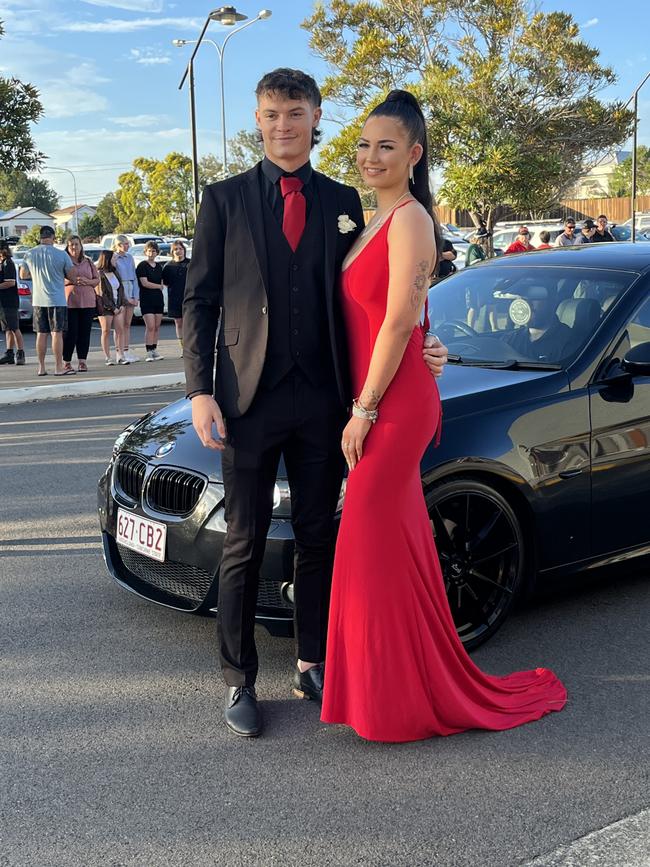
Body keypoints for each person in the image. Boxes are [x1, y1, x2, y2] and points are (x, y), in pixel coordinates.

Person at [183, 68, 448, 738]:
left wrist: (428, 341)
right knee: (241, 541)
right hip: (246, 399)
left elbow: (389, 295)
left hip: (325, 399)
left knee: (316, 536)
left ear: (315, 115)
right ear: (258, 118)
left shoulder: (344, 200)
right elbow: (199, 301)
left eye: (294, 112)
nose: (282, 124)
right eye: (270, 113)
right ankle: (239, 679)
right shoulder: (224, 200)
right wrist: (199, 391)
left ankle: (312, 660)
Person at [320, 90, 566, 743]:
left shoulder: (410, 220)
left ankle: (394, 701)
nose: (372, 156)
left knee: (368, 544)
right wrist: (429, 343)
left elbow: (399, 318)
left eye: (387, 146)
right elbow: (405, 316)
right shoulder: (372, 221)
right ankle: (392, 689)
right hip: (386, 394)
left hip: (393, 406)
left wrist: (363, 410)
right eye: (366, 144)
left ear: (414, 154)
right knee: (394, 551)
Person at [20, 225, 73, 376]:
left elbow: (23, 274)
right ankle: (58, 367)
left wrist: (37, 276)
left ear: (40, 237)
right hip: (57, 299)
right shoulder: (61, 254)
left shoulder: (30, 253)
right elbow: (72, 275)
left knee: (41, 334)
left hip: (38, 299)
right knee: (57, 333)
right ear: (53, 237)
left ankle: (41, 367)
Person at [504, 285, 573, 363]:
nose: (527, 304)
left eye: (534, 297)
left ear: (552, 301)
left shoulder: (568, 342)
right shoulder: (510, 340)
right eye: (522, 299)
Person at [63, 235, 100, 373]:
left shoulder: (88, 262)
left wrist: (86, 281)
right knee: (70, 333)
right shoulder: (64, 261)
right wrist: (73, 281)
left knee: (84, 333)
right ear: (67, 246)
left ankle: (82, 361)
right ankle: (66, 361)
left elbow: (96, 280)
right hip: (70, 302)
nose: (74, 247)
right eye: (71, 244)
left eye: (76, 244)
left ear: (81, 246)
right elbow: (58, 280)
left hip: (88, 302)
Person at [96, 250, 129, 365]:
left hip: (118, 305)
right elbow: (101, 293)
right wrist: (112, 307)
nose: (116, 261)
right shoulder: (100, 274)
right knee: (105, 331)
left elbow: (120, 289)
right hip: (106, 307)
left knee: (120, 330)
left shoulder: (115, 272)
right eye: (114, 259)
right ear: (107, 260)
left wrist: (121, 304)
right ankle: (107, 356)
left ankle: (120, 355)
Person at [111, 236, 139, 361]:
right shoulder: (114, 257)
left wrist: (135, 296)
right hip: (120, 290)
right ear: (119, 244)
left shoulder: (130, 257)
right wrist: (125, 297)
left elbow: (134, 277)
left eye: (128, 243)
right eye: (125, 244)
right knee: (119, 325)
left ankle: (126, 350)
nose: (127, 246)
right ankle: (119, 351)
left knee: (127, 324)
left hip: (130, 287)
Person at [136, 241, 165, 361]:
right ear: (145, 252)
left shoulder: (159, 266)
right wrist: (158, 286)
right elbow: (145, 283)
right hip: (146, 299)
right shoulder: (142, 266)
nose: (151, 253)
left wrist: (160, 286)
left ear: (157, 252)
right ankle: (148, 351)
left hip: (158, 299)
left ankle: (154, 349)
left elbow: (162, 281)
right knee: (150, 326)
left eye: (153, 251)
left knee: (157, 326)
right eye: (149, 250)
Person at [162, 240, 189, 356]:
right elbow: (166, 282)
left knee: (189, 322)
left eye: (181, 249)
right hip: (174, 298)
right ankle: (183, 347)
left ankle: (190, 346)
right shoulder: (168, 266)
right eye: (176, 249)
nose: (179, 251)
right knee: (178, 323)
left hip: (189, 297)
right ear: (172, 252)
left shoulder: (190, 264)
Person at [0, 241, 25, 365]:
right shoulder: (2, 263)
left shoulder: (8, 263)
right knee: (7, 329)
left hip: (10, 301)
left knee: (14, 328)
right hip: (3, 302)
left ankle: (20, 353)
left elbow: (10, 282)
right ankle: (9, 353)